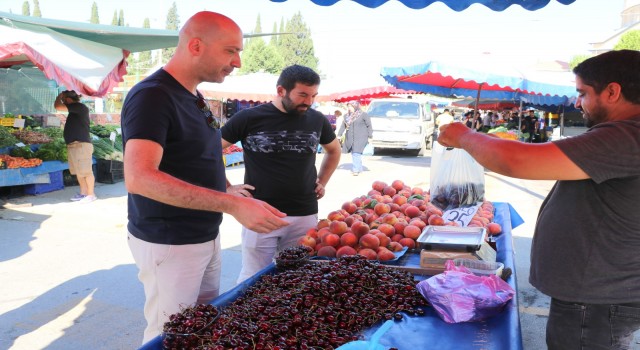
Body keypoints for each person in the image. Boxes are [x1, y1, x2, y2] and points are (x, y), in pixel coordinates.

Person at [437, 49, 640, 350]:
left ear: (612, 91)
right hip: (596, 298)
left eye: (582, 93)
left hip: (597, 304)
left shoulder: (625, 137)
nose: (576, 102)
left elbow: (519, 161)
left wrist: (463, 136)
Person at [120, 12, 289, 344]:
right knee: (168, 336)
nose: (237, 62)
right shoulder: (152, 95)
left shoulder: (193, 96)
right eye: (230, 51)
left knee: (201, 327)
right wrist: (229, 204)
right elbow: (139, 177)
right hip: (170, 240)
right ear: (195, 45)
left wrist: (229, 190)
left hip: (203, 235)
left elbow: (196, 156)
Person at [221, 64, 341, 283]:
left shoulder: (317, 119)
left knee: (296, 278)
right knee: (254, 279)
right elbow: (210, 150)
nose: (309, 101)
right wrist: (228, 187)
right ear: (280, 91)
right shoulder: (248, 118)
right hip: (260, 213)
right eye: (302, 95)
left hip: (304, 213)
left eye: (313, 95)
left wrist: (322, 181)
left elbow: (334, 150)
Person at [54, 90, 96, 203]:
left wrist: (59, 96)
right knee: (78, 171)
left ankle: (91, 194)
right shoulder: (74, 110)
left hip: (81, 144)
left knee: (86, 171)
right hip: (74, 145)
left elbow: (57, 106)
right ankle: (83, 193)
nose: (63, 103)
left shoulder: (79, 107)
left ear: (68, 99)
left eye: (64, 100)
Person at [337, 100, 373, 176]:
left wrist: (370, 136)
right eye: (348, 106)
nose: (349, 108)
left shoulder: (363, 115)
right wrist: (339, 135)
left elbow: (369, 126)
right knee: (355, 152)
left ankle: (355, 170)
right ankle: (359, 168)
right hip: (350, 136)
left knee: (356, 152)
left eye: (351, 106)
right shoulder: (346, 116)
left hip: (361, 136)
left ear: (355, 106)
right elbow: (343, 126)